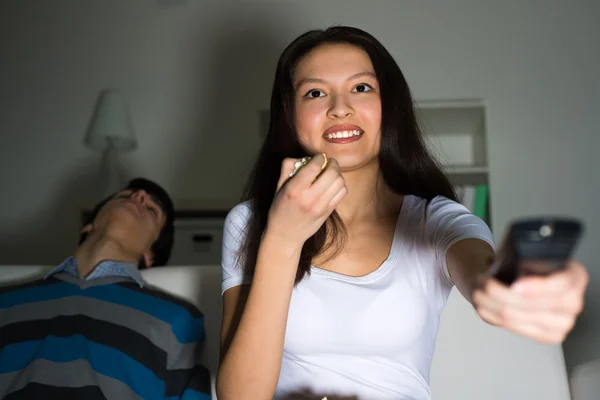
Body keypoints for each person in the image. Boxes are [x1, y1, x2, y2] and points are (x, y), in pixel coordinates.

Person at [216, 26, 589, 400]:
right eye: (315, 93)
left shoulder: (436, 220)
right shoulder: (249, 222)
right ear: (290, 116)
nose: (340, 108)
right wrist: (282, 238)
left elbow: (484, 274)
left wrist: (519, 286)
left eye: (361, 88)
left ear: (389, 107)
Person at [0, 178, 211, 400]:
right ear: (88, 226)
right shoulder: (4, 301)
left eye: (151, 210)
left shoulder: (180, 320)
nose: (139, 195)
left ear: (151, 254)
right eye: (124, 196)